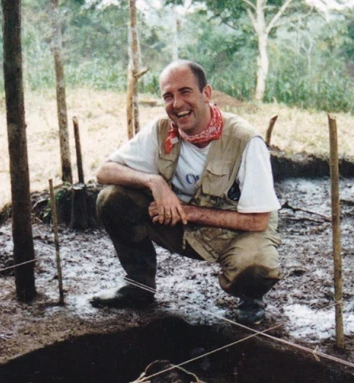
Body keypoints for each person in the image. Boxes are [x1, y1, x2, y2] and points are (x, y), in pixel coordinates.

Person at [90, 60, 282, 325]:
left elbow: (258, 220)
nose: (177, 104)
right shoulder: (161, 130)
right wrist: (154, 183)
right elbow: (104, 172)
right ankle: (139, 286)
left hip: (235, 234)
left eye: (185, 92)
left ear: (206, 93)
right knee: (112, 199)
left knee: (256, 265)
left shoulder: (245, 140)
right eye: (168, 96)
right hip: (179, 228)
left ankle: (250, 297)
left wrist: (186, 211)